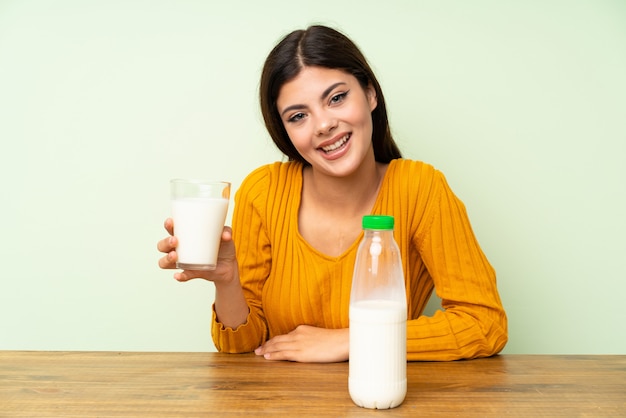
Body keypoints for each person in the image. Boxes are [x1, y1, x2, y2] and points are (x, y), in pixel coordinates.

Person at [157, 25, 507, 363]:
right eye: (298, 116)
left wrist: (349, 340)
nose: (323, 125)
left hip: (382, 397)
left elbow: (484, 324)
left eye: (337, 98)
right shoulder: (262, 192)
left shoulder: (420, 189)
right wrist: (227, 282)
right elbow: (241, 349)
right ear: (286, 131)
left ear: (370, 94)